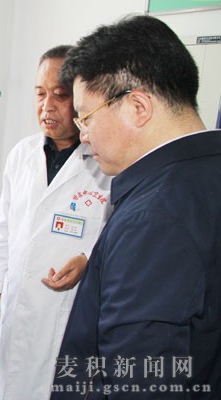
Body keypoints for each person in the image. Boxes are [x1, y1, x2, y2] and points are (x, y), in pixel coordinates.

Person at [50, 15, 221, 399]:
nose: (82, 134)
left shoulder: (152, 220)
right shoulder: (206, 174)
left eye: (85, 117)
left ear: (138, 106)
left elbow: (139, 383)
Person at [0, 45, 113, 399]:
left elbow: (116, 236)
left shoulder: (104, 162)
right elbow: (4, 226)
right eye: (40, 94)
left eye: (60, 95)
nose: (47, 106)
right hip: (18, 297)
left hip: (67, 306)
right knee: (11, 384)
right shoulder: (21, 154)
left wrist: (87, 260)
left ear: (82, 99)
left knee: (56, 384)